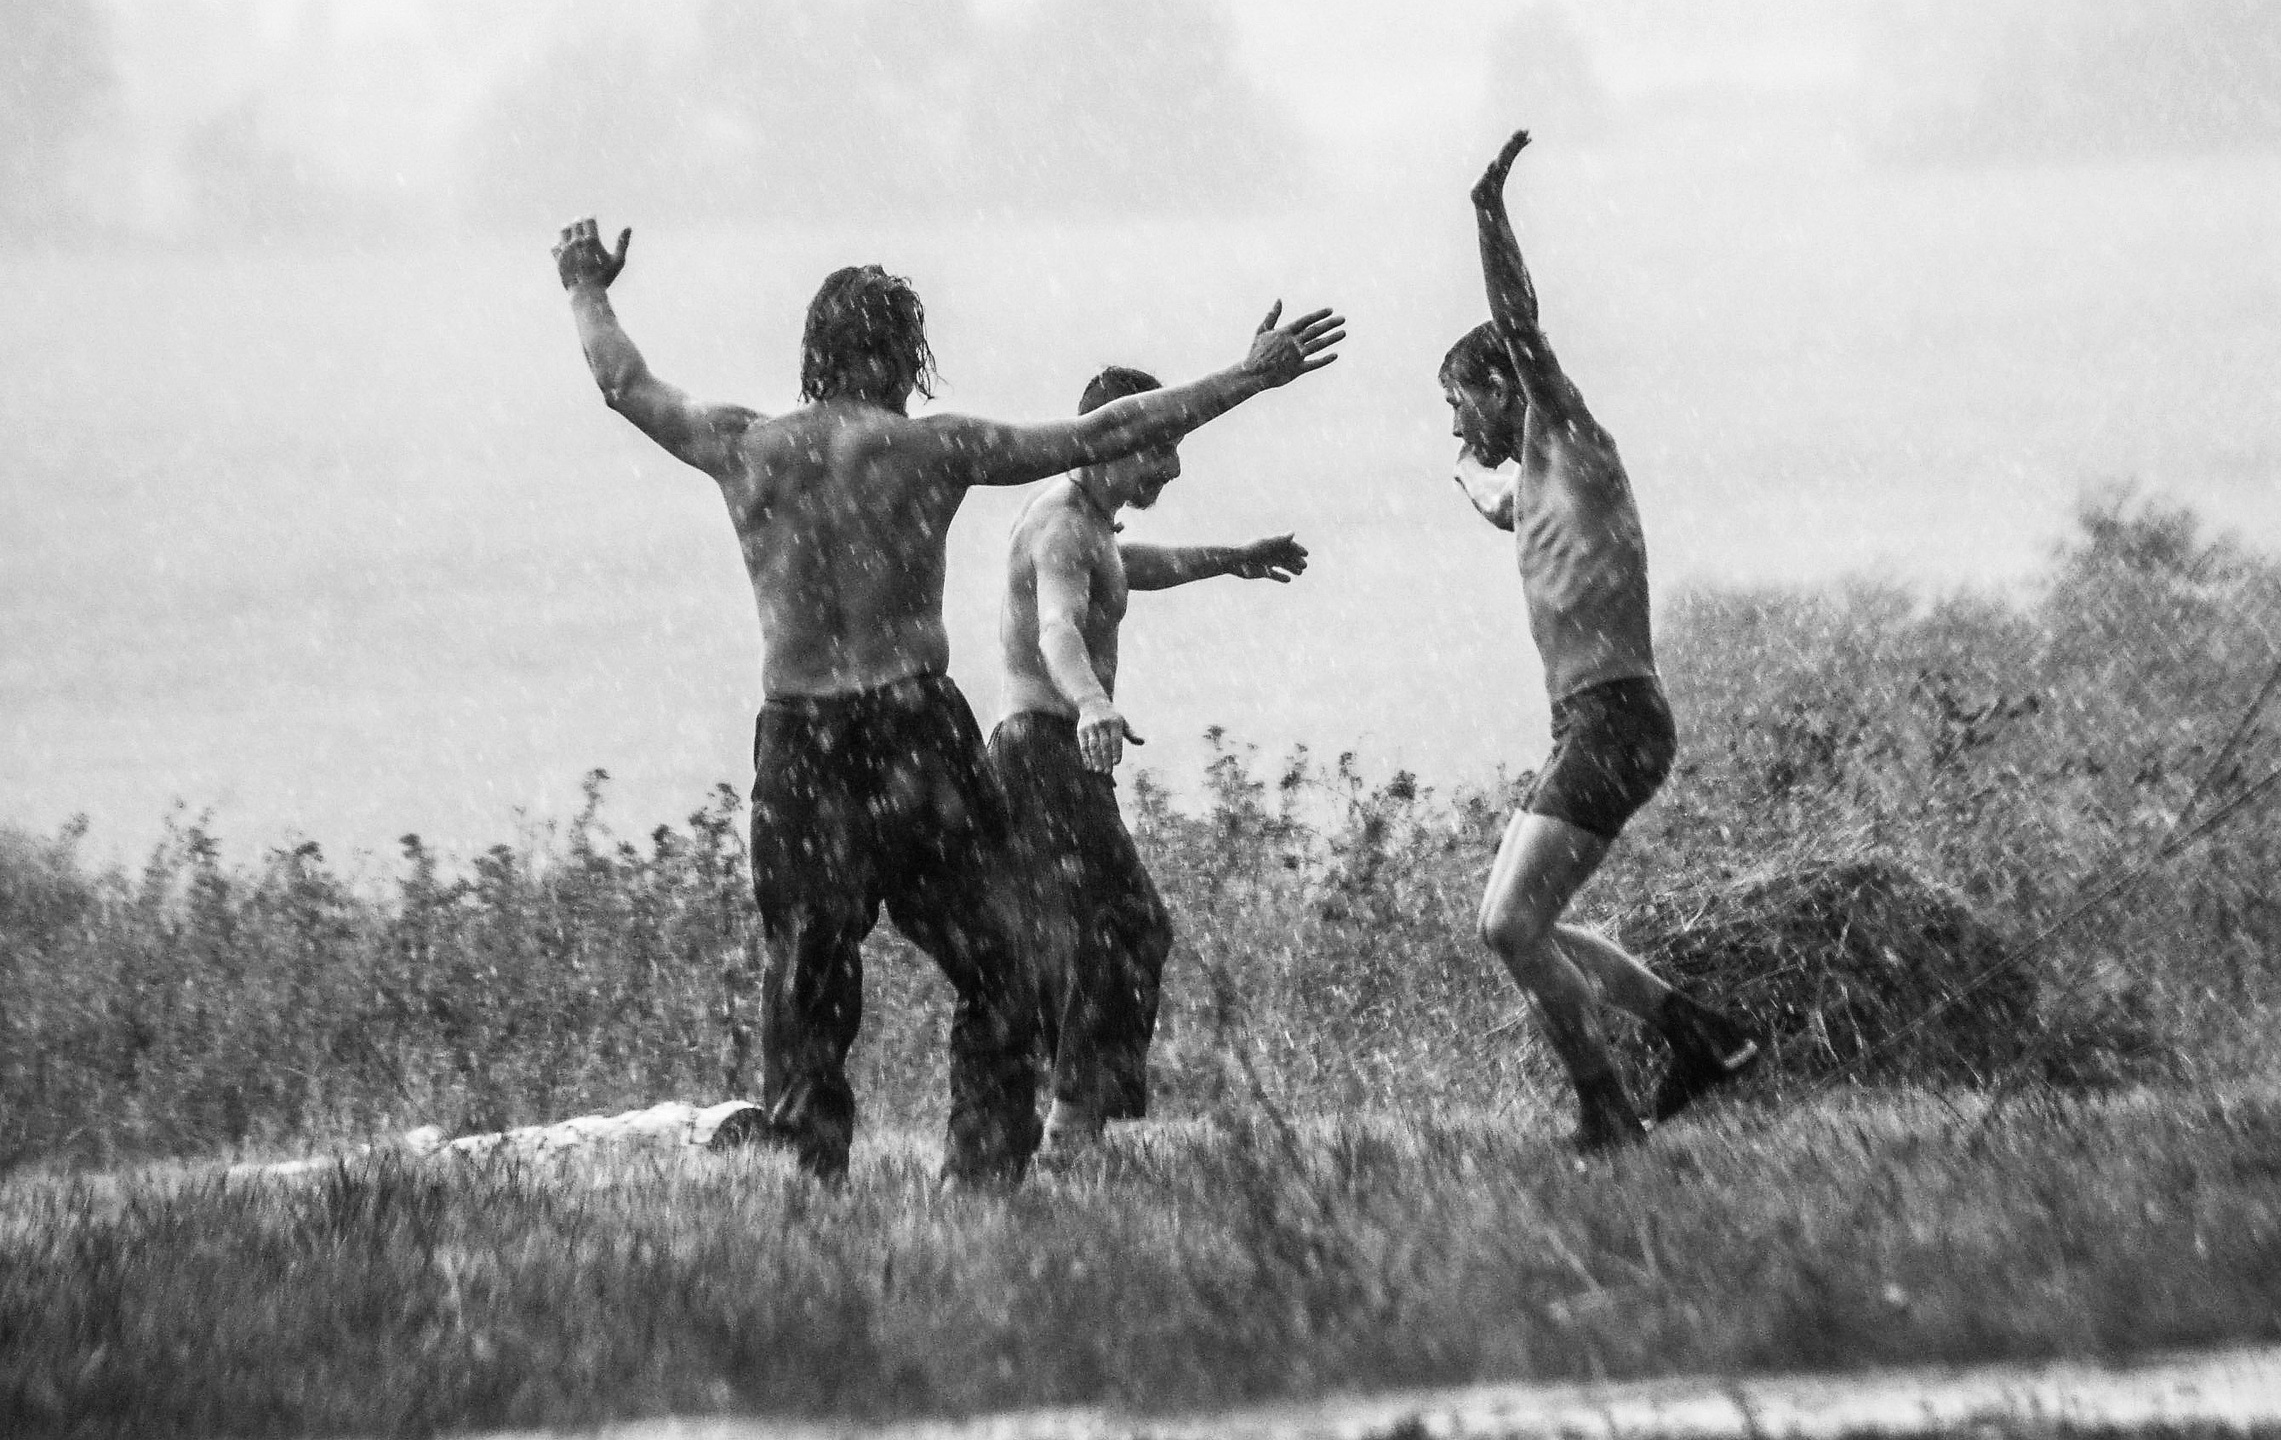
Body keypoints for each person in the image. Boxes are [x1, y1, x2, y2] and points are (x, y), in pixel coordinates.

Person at [549, 219, 1345, 1185]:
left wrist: (586, 288)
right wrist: (1246, 377)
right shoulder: (933, 449)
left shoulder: (743, 447)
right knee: (997, 963)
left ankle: (806, 1180)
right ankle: (981, 1178)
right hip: (913, 730)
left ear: (817, 353)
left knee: (808, 973)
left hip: (799, 738)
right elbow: (1102, 434)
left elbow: (623, 385)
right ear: (902, 355)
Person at [1441, 133, 1756, 1152]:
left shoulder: (1567, 433)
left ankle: (1606, 1108)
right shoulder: (1534, 484)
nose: (1459, 425)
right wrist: (1464, 475)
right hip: (1596, 718)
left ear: (1501, 390)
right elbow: (1502, 506)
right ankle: (1693, 1031)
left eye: (1459, 406)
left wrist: (1487, 213)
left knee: (1508, 927)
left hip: (1616, 716)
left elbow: (1518, 325)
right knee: (1523, 922)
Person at [987, 366, 1311, 1165]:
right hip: (1046, 748)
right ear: (1111, 442)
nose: (1171, 468)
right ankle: (1071, 1127)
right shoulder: (1062, 528)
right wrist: (1093, 702)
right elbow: (1059, 626)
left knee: (1069, 938)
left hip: (1049, 755)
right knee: (1128, 924)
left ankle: (1030, 1114)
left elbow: (1130, 572)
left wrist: (1231, 557)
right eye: (1158, 451)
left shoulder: (1089, 522)